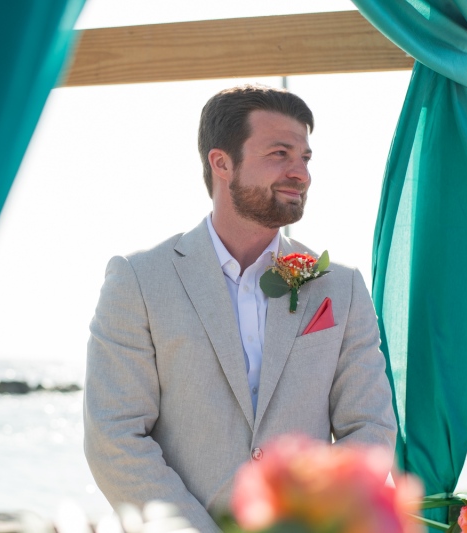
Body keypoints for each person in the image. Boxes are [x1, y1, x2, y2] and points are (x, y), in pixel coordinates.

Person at [84, 85, 396, 533]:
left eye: (305, 158)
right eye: (279, 153)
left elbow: (371, 429)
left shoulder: (341, 287)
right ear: (221, 163)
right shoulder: (138, 281)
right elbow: (114, 437)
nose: (300, 173)